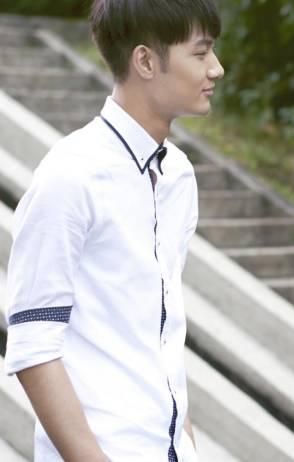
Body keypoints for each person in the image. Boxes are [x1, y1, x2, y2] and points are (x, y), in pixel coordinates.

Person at [4, 0, 224, 460]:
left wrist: (185, 443)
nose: (216, 69)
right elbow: (33, 345)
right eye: (201, 53)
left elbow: (160, 333)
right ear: (145, 61)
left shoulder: (178, 176)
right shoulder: (71, 175)